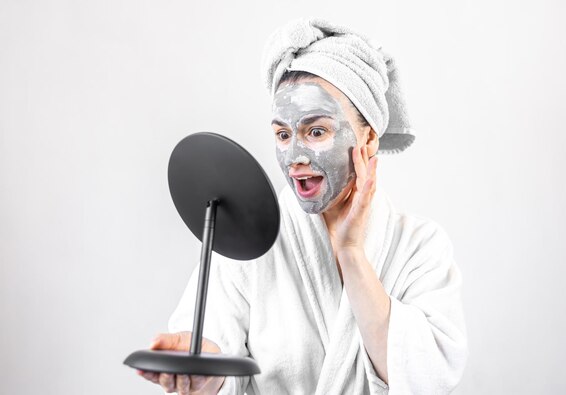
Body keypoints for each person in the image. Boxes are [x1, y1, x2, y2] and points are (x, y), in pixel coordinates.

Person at [137, 17, 468, 395]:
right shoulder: (249, 242)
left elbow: (427, 376)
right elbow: (217, 357)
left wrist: (351, 253)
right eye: (282, 134)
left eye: (316, 131)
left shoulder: (420, 248)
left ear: (369, 138)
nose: (294, 156)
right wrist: (199, 371)